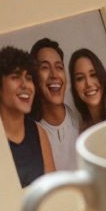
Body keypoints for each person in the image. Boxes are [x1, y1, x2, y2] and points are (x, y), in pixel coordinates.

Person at [0, 46, 55, 187]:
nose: (25, 85)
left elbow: (52, 192)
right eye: (15, 77)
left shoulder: (39, 132)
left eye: (28, 78)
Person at [30, 38, 80, 171]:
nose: (54, 75)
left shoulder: (81, 120)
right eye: (45, 67)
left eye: (59, 67)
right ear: (34, 77)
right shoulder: (30, 135)